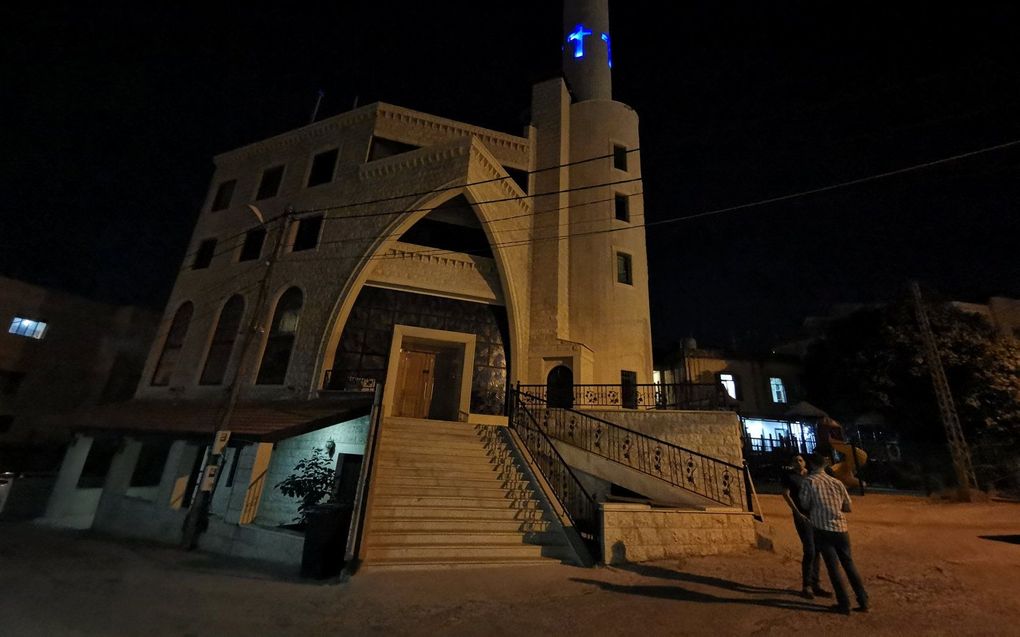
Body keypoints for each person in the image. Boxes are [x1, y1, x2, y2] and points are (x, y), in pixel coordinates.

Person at [799, 452, 870, 615]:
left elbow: (805, 504)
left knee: (833, 568)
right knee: (849, 565)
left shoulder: (809, 482)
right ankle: (863, 600)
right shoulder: (837, 482)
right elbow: (848, 507)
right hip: (841, 529)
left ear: (810, 464)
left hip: (822, 529)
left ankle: (844, 603)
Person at [780, 454, 830, 600]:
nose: (798, 462)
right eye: (795, 460)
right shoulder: (789, 477)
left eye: (800, 460)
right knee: (809, 549)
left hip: (816, 515)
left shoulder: (812, 476)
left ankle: (816, 584)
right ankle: (806, 585)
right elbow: (785, 494)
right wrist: (796, 512)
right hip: (802, 516)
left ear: (805, 462)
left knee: (817, 550)